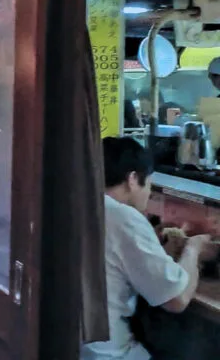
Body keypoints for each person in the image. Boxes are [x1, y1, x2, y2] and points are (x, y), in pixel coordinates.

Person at [81, 137, 214, 360]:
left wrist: (150, 240)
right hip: (108, 354)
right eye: (149, 184)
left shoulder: (82, 204)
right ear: (133, 179)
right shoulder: (122, 216)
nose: (149, 192)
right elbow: (177, 299)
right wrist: (193, 248)